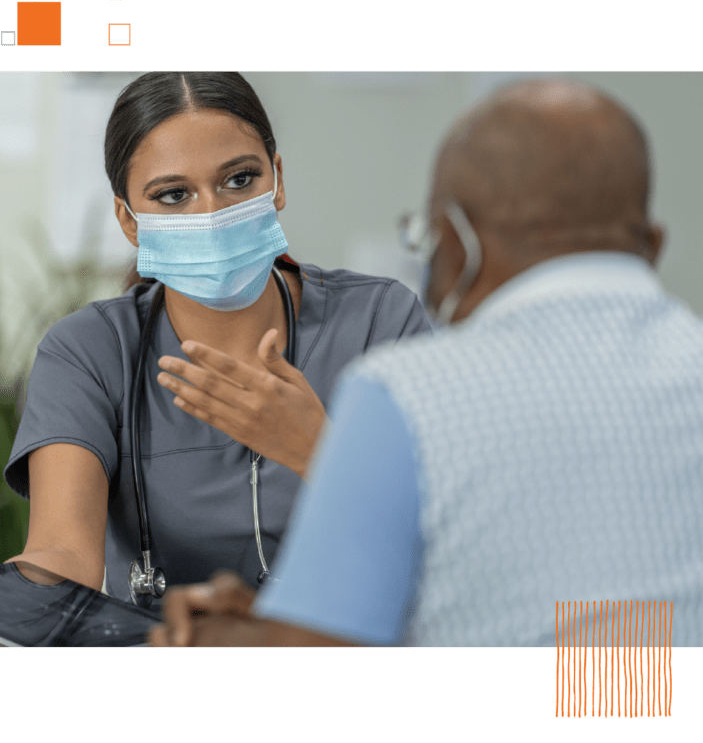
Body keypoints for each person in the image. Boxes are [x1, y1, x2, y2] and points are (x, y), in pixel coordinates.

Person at [150, 76, 703, 649]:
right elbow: (608, 646)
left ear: (457, 246)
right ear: (652, 246)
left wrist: (221, 639)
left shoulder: (410, 394)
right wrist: (286, 618)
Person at [0, 72, 434, 638]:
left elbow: (450, 534)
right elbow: (61, 557)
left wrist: (321, 452)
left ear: (277, 181)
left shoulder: (382, 320)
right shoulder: (88, 352)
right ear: (129, 219)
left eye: (239, 179)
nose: (211, 212)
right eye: (172, 195)